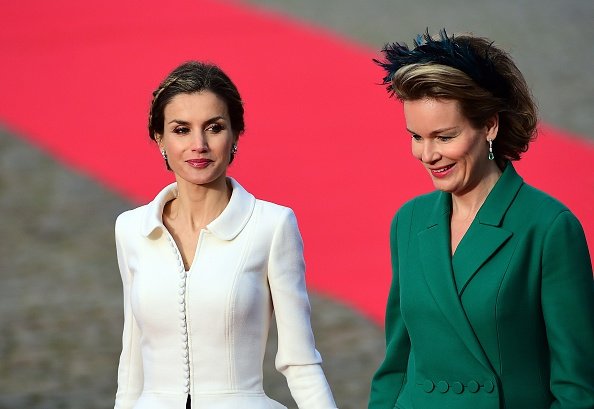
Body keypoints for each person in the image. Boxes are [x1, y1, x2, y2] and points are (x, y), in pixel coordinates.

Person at [368, 30, 594, 409]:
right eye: (416, 137)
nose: (428, 154)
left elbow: (578, 388)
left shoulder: (549, 227)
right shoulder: (408, 221)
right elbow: (396, 364)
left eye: (444, 136)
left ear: (489, 125)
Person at [113, 61, 337, 409]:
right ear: (159, 138)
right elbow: (133, 361)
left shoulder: (272, 225)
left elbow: (300, 360)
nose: (198, 144)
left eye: (214, 127)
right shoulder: (131, 229)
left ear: (235, 135)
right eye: (181, 129)